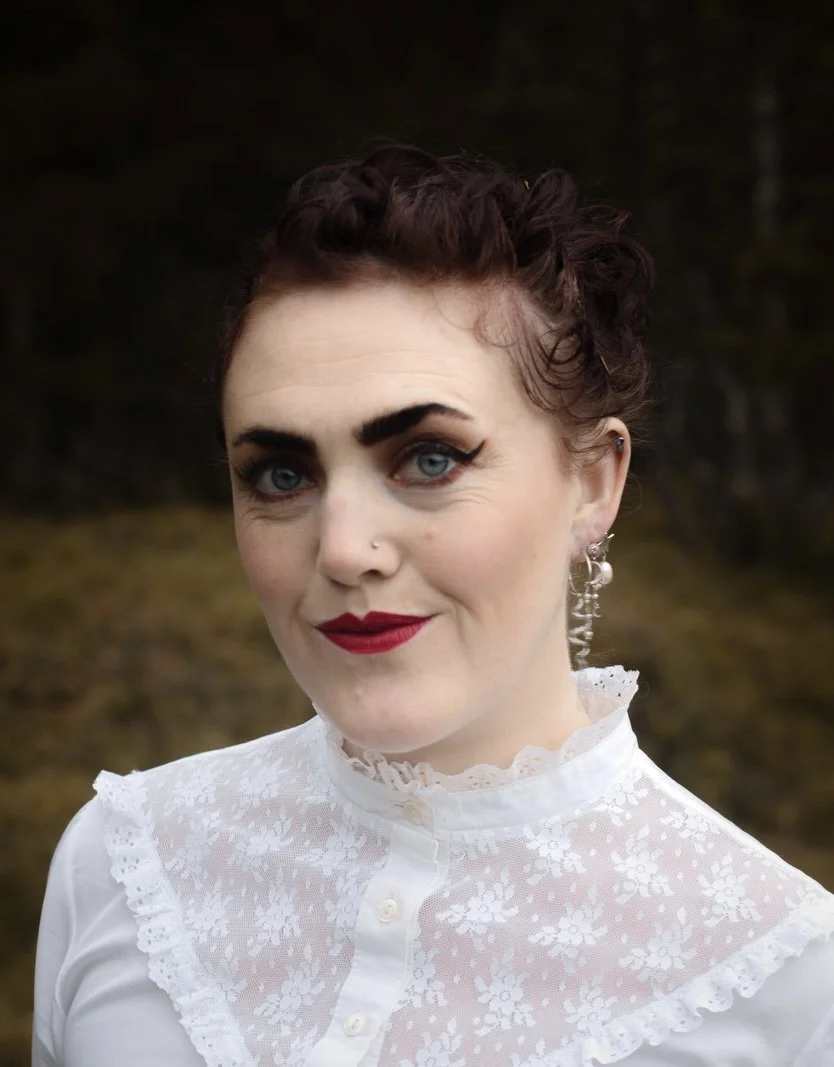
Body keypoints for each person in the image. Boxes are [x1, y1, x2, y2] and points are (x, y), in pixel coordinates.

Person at [32, 144, 834, 1067]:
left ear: (593, 482)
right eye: (282, 474)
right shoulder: (122, 866)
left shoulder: (785, 983)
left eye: (429, 458)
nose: (343, 548)